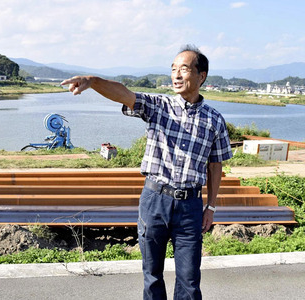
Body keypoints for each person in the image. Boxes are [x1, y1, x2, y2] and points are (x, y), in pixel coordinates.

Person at [61, 45, 232, 300]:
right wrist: (93, 81)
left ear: (201, 76)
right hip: (155, 201)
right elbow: (125, 95)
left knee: (189, 280)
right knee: (152, 276)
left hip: (191, 207)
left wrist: (212, 206)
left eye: (184, 69)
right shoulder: (159, 106)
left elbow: (216, 164)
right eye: (173, 69)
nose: (176, 75)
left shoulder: (214, 119)